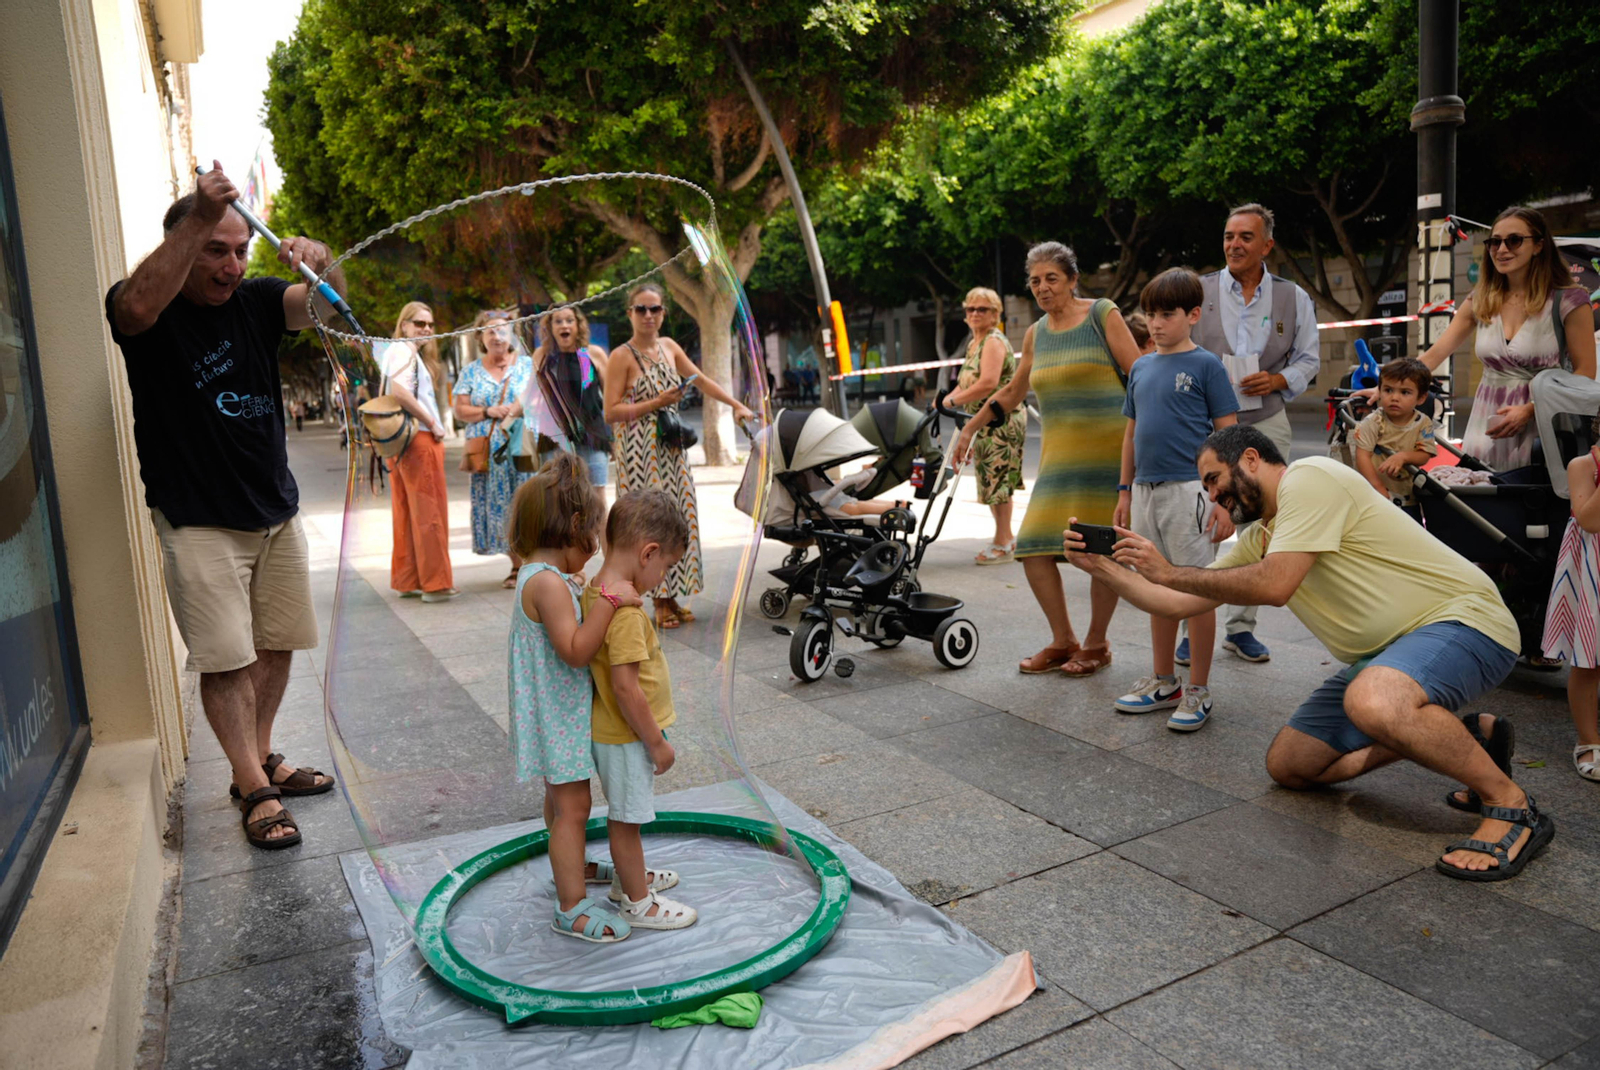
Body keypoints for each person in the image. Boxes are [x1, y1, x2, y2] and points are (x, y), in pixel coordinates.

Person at [1067, 425, 1554, 882]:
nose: (1212, 494)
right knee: (1293, 765)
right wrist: (1102, 569)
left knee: (1375, 701)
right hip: (1386, 658)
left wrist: (1169, 571)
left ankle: (1512, 805)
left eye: (1214, 479)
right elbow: (1175, 602)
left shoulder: (1312, 478)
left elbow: (1275, 585)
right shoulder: (1260, 536)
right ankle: (1468, 739)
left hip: (1465, 622)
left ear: (1251, 459)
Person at [105, 163, 335, 849]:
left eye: (241, 250)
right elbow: (133, 309)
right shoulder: (149, 308)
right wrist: (200, 215)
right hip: (199, 517)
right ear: (185, 238)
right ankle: (254, 788)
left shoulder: (260, 300)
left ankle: (256, 761)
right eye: (215, 249)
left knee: (277, 642)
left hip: (274, 509)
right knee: (226, 660)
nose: (232, 265)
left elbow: (320, 307)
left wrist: (320, 264)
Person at [951, 242, 1141, 677]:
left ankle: (1096, 644)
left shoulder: (1102, 314)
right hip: (1058, 460)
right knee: (1034, 546)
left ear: (1073, 279)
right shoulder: (1036, 332)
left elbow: (1141, 373)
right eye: (1035, 281)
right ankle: (1063, 640)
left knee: (1101, 553)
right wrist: (970, 426)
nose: (1042, 288)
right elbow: (1014, 391)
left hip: (1109, 455)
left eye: (1051, 278)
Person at [505, 455, 643, 942]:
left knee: (561, 802)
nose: (595, 552)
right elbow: (576, 651)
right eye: (595, 540)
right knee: (574, 807)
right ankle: (571, 907)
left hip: (550, 714)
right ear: (577, 526)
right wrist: (608, 602)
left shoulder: (540, 575)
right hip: (557, 716)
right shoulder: (547, 583)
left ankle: (576, 866)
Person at [1189, 203, 1323, 666]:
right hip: (1205, 425)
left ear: (1267, 245)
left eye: (1246, 237)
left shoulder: (1293, 297)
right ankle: (1194, 619)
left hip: (1265, 421)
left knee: (1260, 521)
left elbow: (1309, 359)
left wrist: (1279, 380)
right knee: (1201, 522)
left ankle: (1241, 628)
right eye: (1228, 236)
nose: (1234, 244)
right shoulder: (1200, 290)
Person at [1111, 269, 1238, 731]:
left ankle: (1199, 687)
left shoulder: (1206, 366)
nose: (1157, 323)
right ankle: (1165, 680)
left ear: (1193, 315)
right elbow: (1131, 432)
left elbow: (1229, 435)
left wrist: (1225, 500)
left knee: (1197, 590)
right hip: (1145, 490)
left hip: (1191, 491)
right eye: (1151, 314)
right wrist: (1124, 491)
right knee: (1156, 587)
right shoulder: (1141, 367)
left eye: (1167, 314)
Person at [580, 490, 699, 930]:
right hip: (628, 736)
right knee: (626, 822)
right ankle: (637, 902)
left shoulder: (599, 590)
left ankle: (628, 880)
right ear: (648, 552)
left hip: (617, 733)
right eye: (665, 566)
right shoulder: (626, 612)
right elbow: (626, 688)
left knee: (626, 817)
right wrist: (657, 743)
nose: (662, 576)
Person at [605, 282, 754, 630]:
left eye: (654, 309)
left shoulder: (670, 347)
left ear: (663, 313)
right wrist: (656, 403)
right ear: (630, 313)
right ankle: (657, 600)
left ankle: (671, 595)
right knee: (647, 525)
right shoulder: (621, 356)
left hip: (671, 451)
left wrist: (735, 405)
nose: (647, 315)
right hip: (639, 454)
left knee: (678, 518)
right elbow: (610, 412)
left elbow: (701, 380)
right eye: (640, 309)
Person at [1420, 205, 1596, 472]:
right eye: (1494, 242)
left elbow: (1584, 374)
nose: (1502, 250)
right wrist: (1384, 386)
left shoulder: (1568, 300)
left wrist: (1531, 409)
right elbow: (1433, 356)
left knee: (1533, 505)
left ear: (1538, 245)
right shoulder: (1480, 299)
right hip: (1484, 425)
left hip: (1544, 426)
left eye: (1514, 240)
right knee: (1480, 502)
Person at [942, 287, 1027, 565]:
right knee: (993, 482)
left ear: (995, 314)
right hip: (984, 422)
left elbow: (988, 384)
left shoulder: (993, 341)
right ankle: (1005, 538)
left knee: (997, 482)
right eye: (971, 309)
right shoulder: (975, 342)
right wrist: (945, 398)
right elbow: (968, 380)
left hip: (1000, 421)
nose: (975, 314)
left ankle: (1003, 544)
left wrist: (952, 400)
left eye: (983, 309)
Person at [379, 301, 456, 602]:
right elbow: (400, 392)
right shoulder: (403, 351)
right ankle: (435, 584)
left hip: (400, 441)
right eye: (419, 323)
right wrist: (433, 422)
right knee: (430, 511)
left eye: (429, 324)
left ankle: (408, 579)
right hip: (419, 438)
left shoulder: (397, 351)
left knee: (406, 511)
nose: (425, 329)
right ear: (404, 325)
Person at [1540, 410, 1600, 786]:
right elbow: (1589, 520)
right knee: (1589, 663)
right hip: (1594, 568)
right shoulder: (1583, 465)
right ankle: (1588, 740)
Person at [454, 309, 533, 588]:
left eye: (502, 330)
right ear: (480, 337)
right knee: (498, 505)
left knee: (526, 503)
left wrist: (518, 409)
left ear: (512, 335)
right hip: (488, 452)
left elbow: (540, 399)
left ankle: (530, 563)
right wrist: (489, 410)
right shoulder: (470, 371)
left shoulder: (526, 366)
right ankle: (516, 565)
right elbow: (460, 410)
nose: (497, 335)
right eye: (490, 331)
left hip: (522, 448)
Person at [528, 306, 612, 488]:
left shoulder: (590, 353)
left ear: (578, 325)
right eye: (558, 321)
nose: (563, 325)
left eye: (569, 320)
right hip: (555, 438)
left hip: (592, 435)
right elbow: (531, 395)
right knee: (555, 498)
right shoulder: (543, 355)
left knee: (595, 496)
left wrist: (615, 439)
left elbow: (610, 398)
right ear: (550, 327)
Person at [1352, 357, 1437, 521]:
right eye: (1388, 390)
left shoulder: (1423, 422)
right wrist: (1378, 488)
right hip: (1374, 494)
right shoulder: (1375, 421)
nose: (1394, 397)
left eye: (1405, 392)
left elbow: (1425, 454)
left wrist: (1403, 456)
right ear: (1379, 390)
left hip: (1408, 497)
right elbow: (1362, 455)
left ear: (1421, 398)